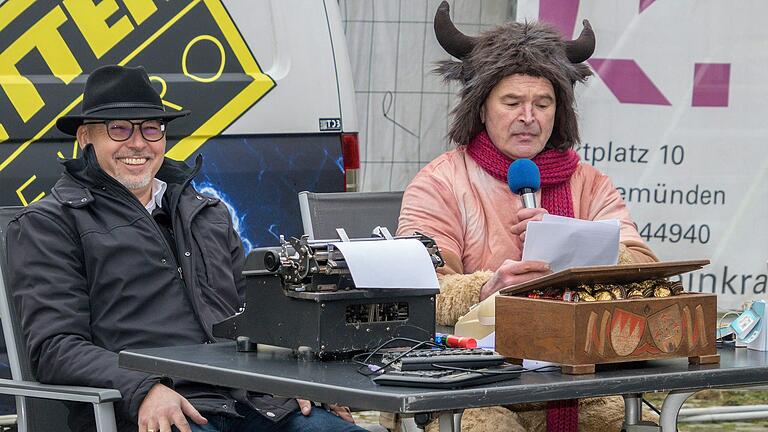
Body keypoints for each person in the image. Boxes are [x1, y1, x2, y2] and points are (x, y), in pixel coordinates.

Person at [5, 65, 364, 432]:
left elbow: (258, 318)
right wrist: (142, 388)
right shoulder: (51, 222)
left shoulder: (207, 213)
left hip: (256, 404)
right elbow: (55, 348)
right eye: (119, 128)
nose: (138, 142)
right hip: (151, 412)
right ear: (85, 138)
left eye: (151, 128)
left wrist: (301, 376)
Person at [397, 3, 657, 432]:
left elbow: (642, 267)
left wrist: (571, 242)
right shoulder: (439, 182)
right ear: (481, 108)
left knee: (640, 425)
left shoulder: (589, 182)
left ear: (559, 112)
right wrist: (490, 286)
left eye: (543, 103)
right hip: (465, 383)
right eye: (512, 101)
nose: (528, 117)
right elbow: (420, 293)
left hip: (574, 376)